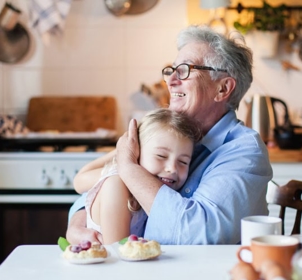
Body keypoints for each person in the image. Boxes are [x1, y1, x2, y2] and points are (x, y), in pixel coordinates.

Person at [67, 25, 273, 245]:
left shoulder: (244, 151)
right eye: (171, 69)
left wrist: (129, 169)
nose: (170, 80)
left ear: (222, 89)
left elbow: (197, 236)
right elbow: (101, 189)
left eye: (185, 70)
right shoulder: (167, 135)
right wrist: (80, 222)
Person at [73, 108, 201, 244]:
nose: (172, 168)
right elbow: (119, 252)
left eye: (183, 162)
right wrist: (122, 151)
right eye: (161, 156)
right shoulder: (116, 184)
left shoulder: (165, 193)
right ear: (137, 152)